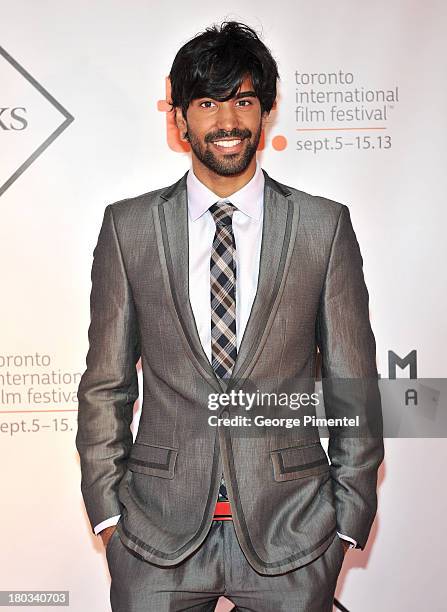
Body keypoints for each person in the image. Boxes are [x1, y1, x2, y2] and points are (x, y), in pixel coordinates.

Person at [76, 20, 384, 612]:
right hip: (154, 535)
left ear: (265, 111)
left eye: (243, 100)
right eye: (208, 102)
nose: (227, 121)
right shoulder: (129, 228)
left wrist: (346, 520)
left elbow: (355, 389)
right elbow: (105, 384)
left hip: (292, 534)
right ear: (180, 118)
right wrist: (108, 513)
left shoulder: (323, 228)